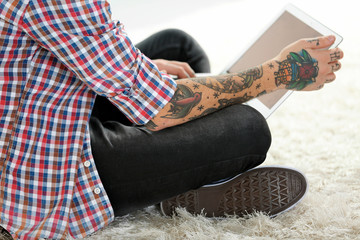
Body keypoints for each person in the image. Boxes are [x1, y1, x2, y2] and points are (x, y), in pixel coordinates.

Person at [0, 0, 343, 239]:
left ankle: (177, 161)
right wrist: (278, 73)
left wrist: (137, 69)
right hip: (41, 172)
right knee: (249, 126)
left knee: (177, 47)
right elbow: (162, 107)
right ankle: (175, 183)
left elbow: (72, 44)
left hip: (36, 112)